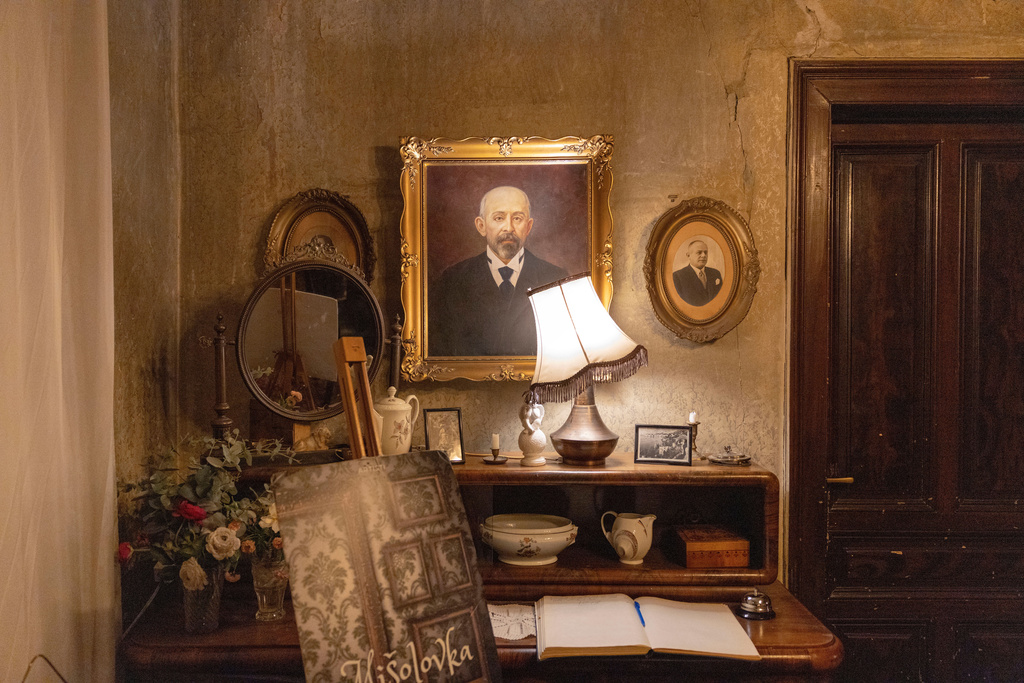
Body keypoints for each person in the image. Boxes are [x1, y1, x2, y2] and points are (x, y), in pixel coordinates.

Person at [430, 186, 568, 356]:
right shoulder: (452, 282)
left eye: (517, 218)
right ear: (481, 226)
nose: (508, 227)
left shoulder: (556, 279)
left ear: (528, 226)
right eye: (499, 218)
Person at [672, 239, 722, 306]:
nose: (704, 255)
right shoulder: (678, 276)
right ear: (688, 255)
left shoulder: (715, 273)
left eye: (705, 252)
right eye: (699, 252)